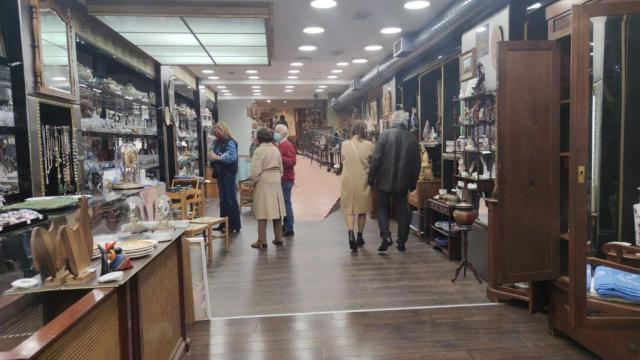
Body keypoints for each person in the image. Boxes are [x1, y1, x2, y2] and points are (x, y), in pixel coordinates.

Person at [368, 111, 421, 252]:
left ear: (393, 121)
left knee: (381, 207)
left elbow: (376, 159)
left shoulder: (385, 135)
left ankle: (386, 236)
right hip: (403, 181)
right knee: (402, 210)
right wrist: (413, 183)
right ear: (406, 122)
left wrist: (371, 178)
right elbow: (417, 164)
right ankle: (401, 242)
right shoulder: (413, 139)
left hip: (384, 180)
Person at [340, 120, 374, 251]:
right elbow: (372, 162)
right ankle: (360, 237)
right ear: (364, 130)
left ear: (352, 130)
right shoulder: (369, 145)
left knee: (349, 209)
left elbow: (344, 161)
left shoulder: (344, 144)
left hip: (347, 179)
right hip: (362, 180)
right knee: (361, 210)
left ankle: (350, 235)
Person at [250, 128, 286, 248]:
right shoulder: (276, 149)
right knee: (277, 211)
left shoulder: (259, 151)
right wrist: (277, 176)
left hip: (263, 180)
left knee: (262, 210)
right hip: (275, 180)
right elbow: (281, 168)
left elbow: (255, 171)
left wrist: (254, 182)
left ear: (259, 138)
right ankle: (279, 237)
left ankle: (261, 240)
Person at [209, 121, 241, 232]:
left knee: (231, 199)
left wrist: (218, 158)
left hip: (229, 174)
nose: (215, 133)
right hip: (220, 173)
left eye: (217, 130)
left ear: (223, 130)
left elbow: (232, 157)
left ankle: (234, 224)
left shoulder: (231, 142)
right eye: (214, 131)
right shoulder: (217, 142)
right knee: (223, 200)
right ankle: (223, 224)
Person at [275, 124, 296, 237]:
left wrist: (279, 157)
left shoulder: (287, 145)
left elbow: (292, 162)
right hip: (282, 178)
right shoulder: (280, 145)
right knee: (283, 203)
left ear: (283, 133)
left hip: (286, 178)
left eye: (277, 131)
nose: (275, 133)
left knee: (286, 203)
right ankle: (286, 224)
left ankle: (289, 227)